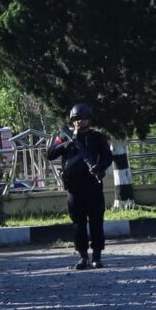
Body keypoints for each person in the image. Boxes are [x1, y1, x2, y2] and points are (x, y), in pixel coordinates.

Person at [46, 104, 111, 268]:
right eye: (76, 119)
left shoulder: (97, 137)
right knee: (78, 223)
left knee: (97, 221)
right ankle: (83, 256)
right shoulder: (65, 136)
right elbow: (50, 153)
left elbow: (107, 157)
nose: (79, 122)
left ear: (89, 119)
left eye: (83, 118)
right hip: (74, 186)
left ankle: (97, 256)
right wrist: (64, 146)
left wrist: (99, 167)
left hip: (93, 184)